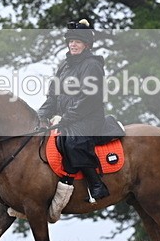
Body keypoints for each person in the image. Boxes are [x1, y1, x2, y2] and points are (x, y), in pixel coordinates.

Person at [38, 18, 110, 201]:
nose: (73, 45)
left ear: (86, 45)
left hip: (88, 117)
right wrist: (40, 116)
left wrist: (65, 119)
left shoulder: (92, 65)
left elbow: (89, 98)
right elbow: (53, 96)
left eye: (77, 42)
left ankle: (96, 185)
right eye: (71, 41)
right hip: (68, 117)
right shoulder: (64, 66)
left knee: (72, 142)